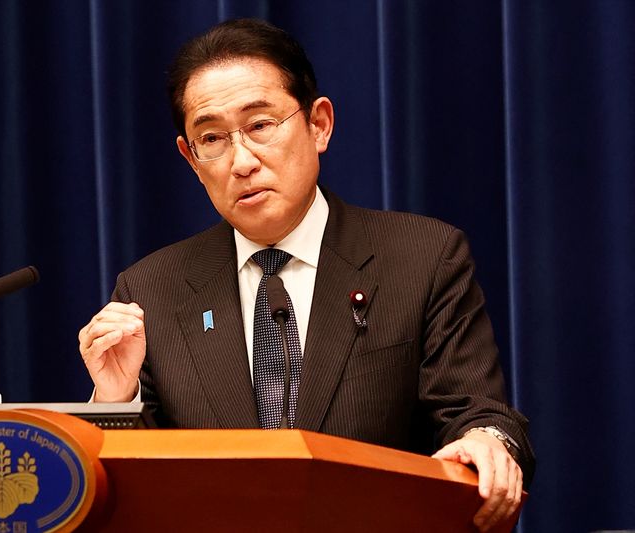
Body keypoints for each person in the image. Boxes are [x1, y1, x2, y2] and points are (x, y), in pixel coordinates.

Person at [78, 18, 534, 531]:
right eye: (212, 138)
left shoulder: (422, 257)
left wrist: (486, 442)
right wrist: (114, 403)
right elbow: (132, 485)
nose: (242, 161)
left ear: (318, 125)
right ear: (190, 158)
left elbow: (478, 412)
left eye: (260, 126)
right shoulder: (151, 290)